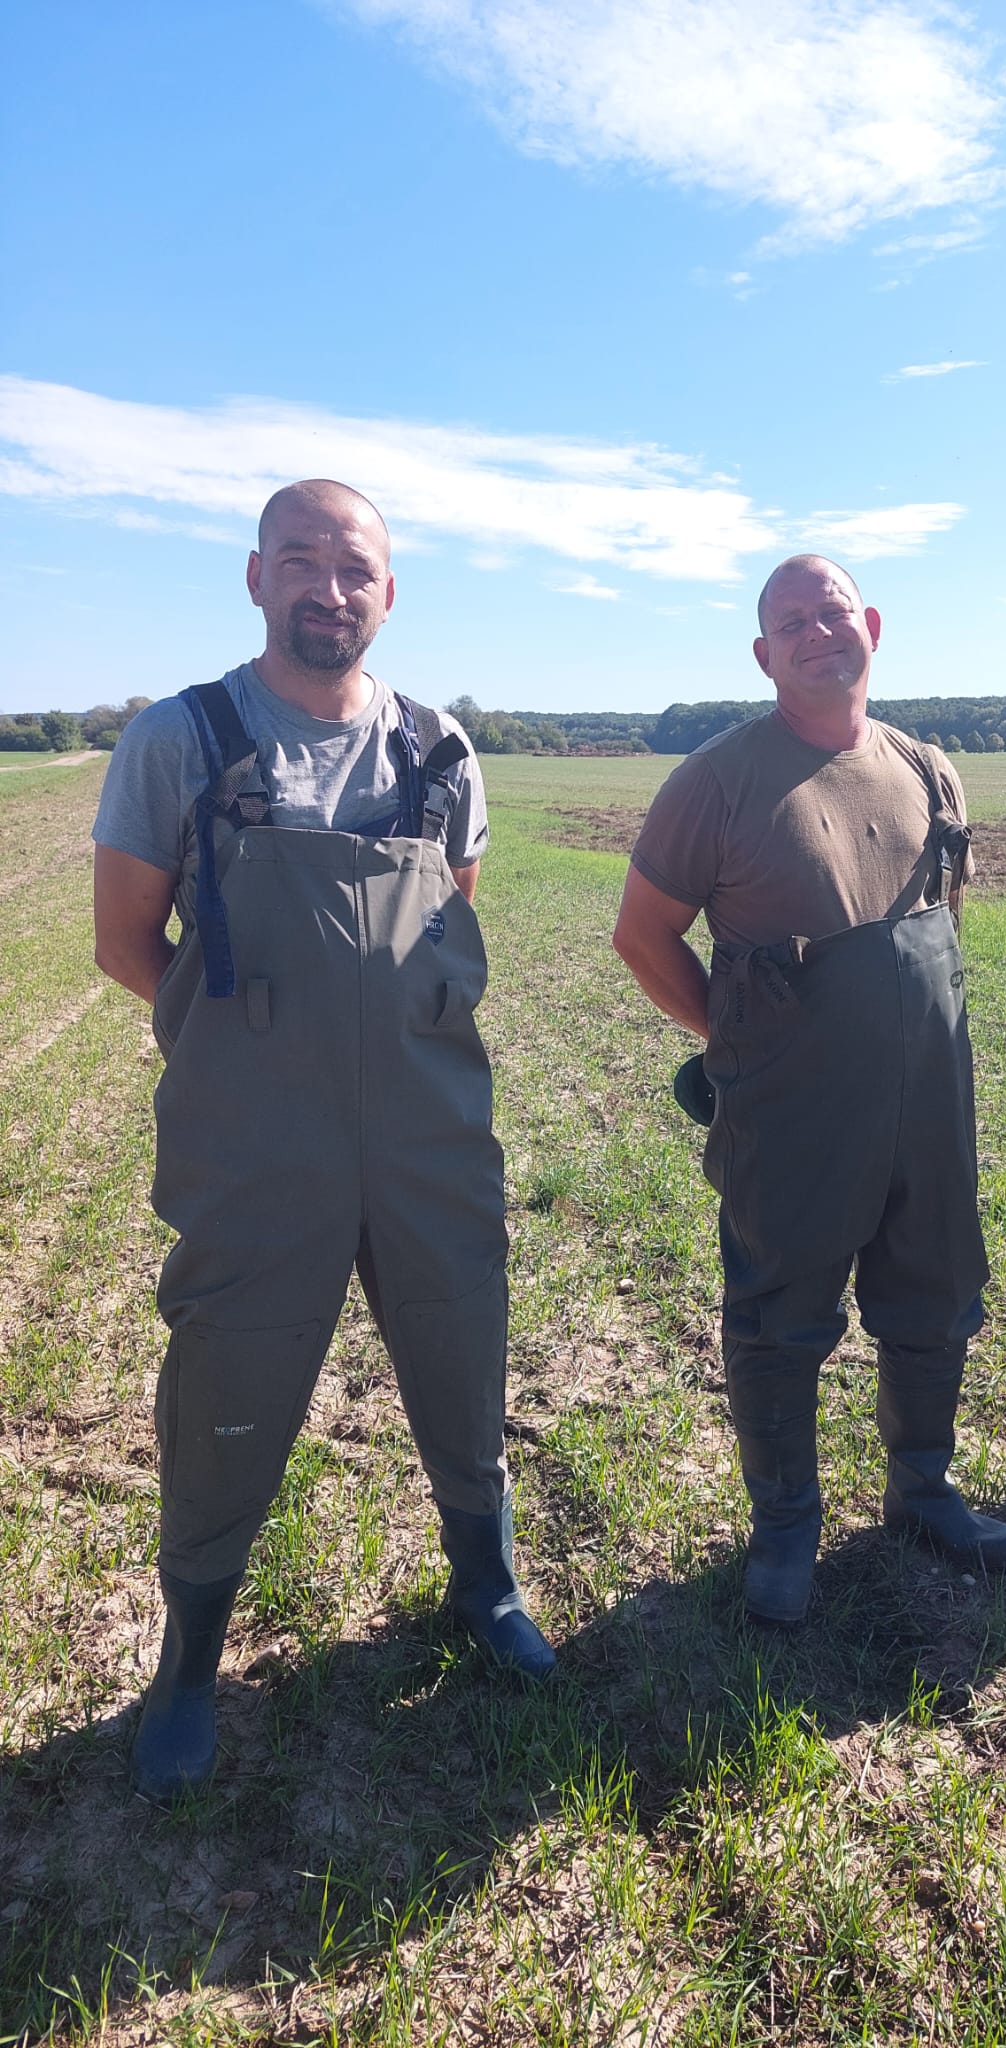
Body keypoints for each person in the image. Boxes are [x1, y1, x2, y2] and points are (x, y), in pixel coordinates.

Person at [93, 479, 553, 1802]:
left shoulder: (441, 750)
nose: (328, 588)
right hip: (256, 1138)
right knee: (227, 1377)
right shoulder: (181, 739)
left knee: (462, 1340)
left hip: (428, 1129)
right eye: (300, 560)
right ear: (256, 578)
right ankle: (190, 1660)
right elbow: (127, 944)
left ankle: (486, 1581)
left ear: (388, 594)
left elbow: (448, 924)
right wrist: (251, 1052)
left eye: (354, 568)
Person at [611, 554, 1006, 1626]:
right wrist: (739, 1040)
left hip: (927, 1104)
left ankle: (922, 1490)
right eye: (790, 622)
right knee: (779, 1315)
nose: (816, 632)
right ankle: (786, 1525)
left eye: (831, 611)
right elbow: (643, 936)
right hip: (791, 1108)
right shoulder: (716, 781)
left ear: (871, 625)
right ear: (764, 655)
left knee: (935, 1296)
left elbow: (940, 929)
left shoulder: (929, 768)